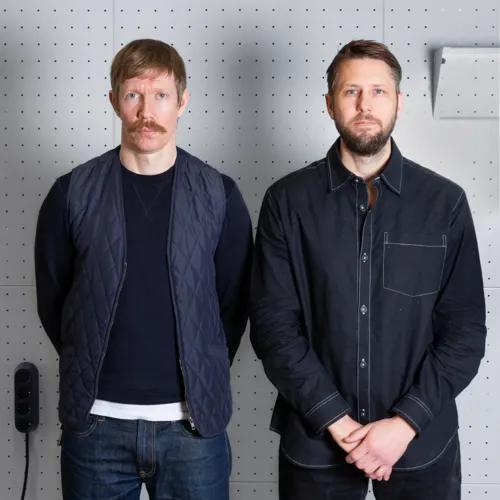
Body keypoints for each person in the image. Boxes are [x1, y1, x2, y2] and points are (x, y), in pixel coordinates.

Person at [250, 39, 486, 500]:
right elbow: (273, 327)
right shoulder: (286, 202)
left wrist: (404, 423)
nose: (364, 105)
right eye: (350, 91)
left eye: (378, 91)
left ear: (399, 101)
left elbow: (464, 332)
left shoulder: (445, 204)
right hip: (318, 443)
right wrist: (336, 421)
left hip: (420, 443)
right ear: (329, 103)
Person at [35, 38, 253, 500]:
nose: (146, 111)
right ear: (114, 100)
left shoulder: (219, 195)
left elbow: (233, 306)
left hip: (192, 428)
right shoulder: (71, 193)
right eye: (133, 94)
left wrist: (202, 364)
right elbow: (54, 301)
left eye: (160, 95)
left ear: (182, 102)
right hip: (95, 426)